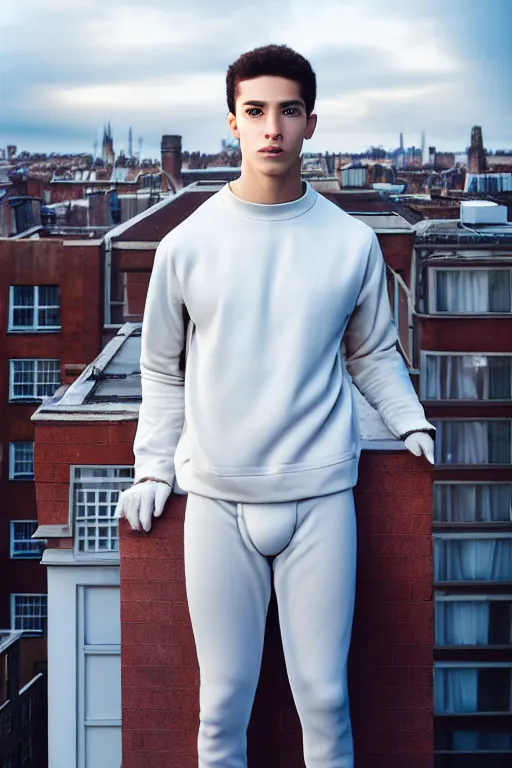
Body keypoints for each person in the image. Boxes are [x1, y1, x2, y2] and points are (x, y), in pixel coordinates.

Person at [116, 44, 435, 768]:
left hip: (321, 494)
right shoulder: (185, 246)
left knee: (325, 701)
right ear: (232, 122)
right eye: (255, 111)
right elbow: (161, 371)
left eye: (287, 111)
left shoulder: (352, 243)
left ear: (310, 123)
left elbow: (373, 354)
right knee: (221, 707)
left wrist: (410, 421)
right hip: (217, 500)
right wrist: (151, 470)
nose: (272, 128)